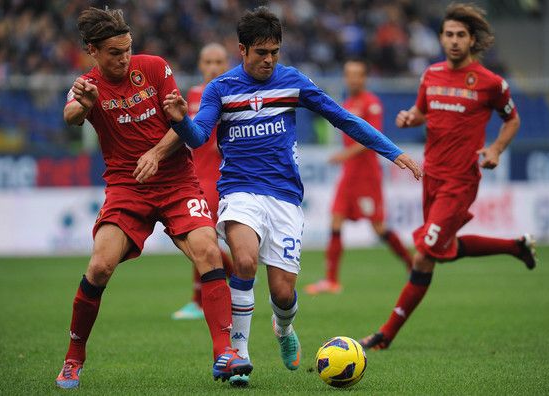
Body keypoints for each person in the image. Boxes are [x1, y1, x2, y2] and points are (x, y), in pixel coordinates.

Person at [157, 6, 422, 386]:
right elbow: (199, 137)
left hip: (284, 198)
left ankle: (283, 330)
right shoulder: (221, 89)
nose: (269, 60)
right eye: (261, 52)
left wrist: (394, 153)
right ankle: (239, 356)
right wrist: (181, 120)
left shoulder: (292, 82)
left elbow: (343, 118)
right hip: (239, 191)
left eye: (274, 52)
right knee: (244, 262)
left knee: (283, 293)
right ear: (242, 50)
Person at [54, 8, 252, 389]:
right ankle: (74, 356)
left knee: (209, 252)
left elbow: (181, 123)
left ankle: (223, 353)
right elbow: (70, 115)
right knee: (99, 268)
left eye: (128, 49)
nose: (124, 58)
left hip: (177, 182)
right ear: (93, 50)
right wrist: (87, 104)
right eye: (114, 52)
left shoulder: (156, 68)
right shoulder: (87, 85)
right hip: (127, 190)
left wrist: (156, 154)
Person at [359, 3, 537, 352]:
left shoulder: (491, 84)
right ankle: (516, 246)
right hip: (432, 176)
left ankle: (385, 334)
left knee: (425, 253)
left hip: (461, 181)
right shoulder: (431, 75)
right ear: (441, 38)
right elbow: (423, 111)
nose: (454, 41)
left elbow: (512, 120)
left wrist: (496, 149)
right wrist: (411, 117)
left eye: (461, 35)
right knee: (444, 250)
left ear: (472, 40)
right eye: (449, 34)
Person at [305, 59, 413, 295]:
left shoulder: (371, 103)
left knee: (378, 227)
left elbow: (371, 139)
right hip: (349, 176)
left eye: (357, 75)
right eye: (349, 74)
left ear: (364, 78)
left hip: (366, 176)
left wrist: (343, 155)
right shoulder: (347, 102)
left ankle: (411, 264)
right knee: (335, 219)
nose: (353, 79)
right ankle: (331, 280)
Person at [171, 43, 234, 320]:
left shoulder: (232, 93)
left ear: (227, 65)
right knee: (204, 239)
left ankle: (199, 301)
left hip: (222, 177)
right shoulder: (194, 94)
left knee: (202, 238)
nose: (213, 67)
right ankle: (237, 274)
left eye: (219, 62)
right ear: (200, 64)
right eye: (208, 62)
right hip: (196, 176)